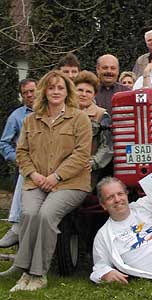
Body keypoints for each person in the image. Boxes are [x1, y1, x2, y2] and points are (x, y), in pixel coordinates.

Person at [7, 70, 92, 292]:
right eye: (51, 87)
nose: (55, 91)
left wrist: (56, 176)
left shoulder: (79, 118)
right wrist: (34, 175)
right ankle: (24, 272)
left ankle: (37, 274)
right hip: (36, 180)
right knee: (29, 214)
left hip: (70, 183)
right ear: (44, 91)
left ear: (67, 92)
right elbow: (21, 152)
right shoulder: (30, 119)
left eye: (60, 88)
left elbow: (82, 154)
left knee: (46, 215)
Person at [0, 79, 36, 248]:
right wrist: (17, 159)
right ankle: (17, 231)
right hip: (24, 166)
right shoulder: (16, 117)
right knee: (25, 206)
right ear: (22, 97)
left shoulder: (52, 110)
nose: (30, 95)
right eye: (25, 93)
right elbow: (4, 143)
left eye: (32, 90)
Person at [75, 70, 113, 189]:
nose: (83, 94)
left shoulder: (101, 115)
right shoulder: (64, 113)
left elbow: (107, 147)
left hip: (90, 172)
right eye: (80, 90)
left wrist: (93, 163)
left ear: (94, 94)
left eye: (88, 91)